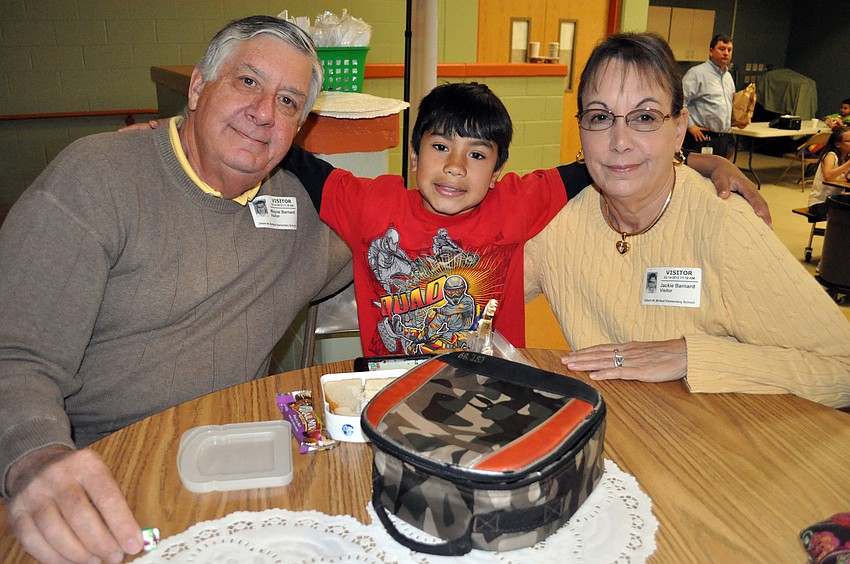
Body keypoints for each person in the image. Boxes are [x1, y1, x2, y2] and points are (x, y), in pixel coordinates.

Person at [0, 16, 351, 563]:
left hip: (238, 467)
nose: (263, 113)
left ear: (300, 129)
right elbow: (15, 351)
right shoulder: (97, 178)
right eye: (247, 82)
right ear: (196, 88)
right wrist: (35, 456)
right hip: (99, 467)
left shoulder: (301, 213)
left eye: (288, 102)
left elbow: (399, 241)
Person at [280, 81, 769, 356]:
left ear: (497, 172)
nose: (454, 166)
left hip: (491, 388)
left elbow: (605, 165)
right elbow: (299, 162)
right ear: (413, 156)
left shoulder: (513, 204)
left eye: (477, 155)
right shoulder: (372, 205)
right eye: (440, 147)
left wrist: (698, 161)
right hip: (388, 391)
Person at [524, 32, 850, 409]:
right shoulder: (558, 226)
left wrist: (694, 356)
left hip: (721, 448)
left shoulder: (724, 227)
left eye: (644, 117)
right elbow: (465, 300)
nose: (619, 140)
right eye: (600, 117)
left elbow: (842, 368)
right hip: (620, 443)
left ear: (679, 129)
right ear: (581, 127)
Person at [682, 34, 736, 159]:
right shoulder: (697, 73)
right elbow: (679, 101)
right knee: (697, 176)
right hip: (700, 136)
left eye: (729, 50)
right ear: (711, 51)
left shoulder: (728, 77)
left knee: (717, 175)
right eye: (722, 49)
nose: (726, 53)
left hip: (723, 138)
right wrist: (690, 126)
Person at [808, 126, 850, 220]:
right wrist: (847, 164)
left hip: (836, 201)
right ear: (838, 144)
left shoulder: (846, 158)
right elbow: (828, 176)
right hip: (820, 202)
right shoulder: (830, 156)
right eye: (848, 141)